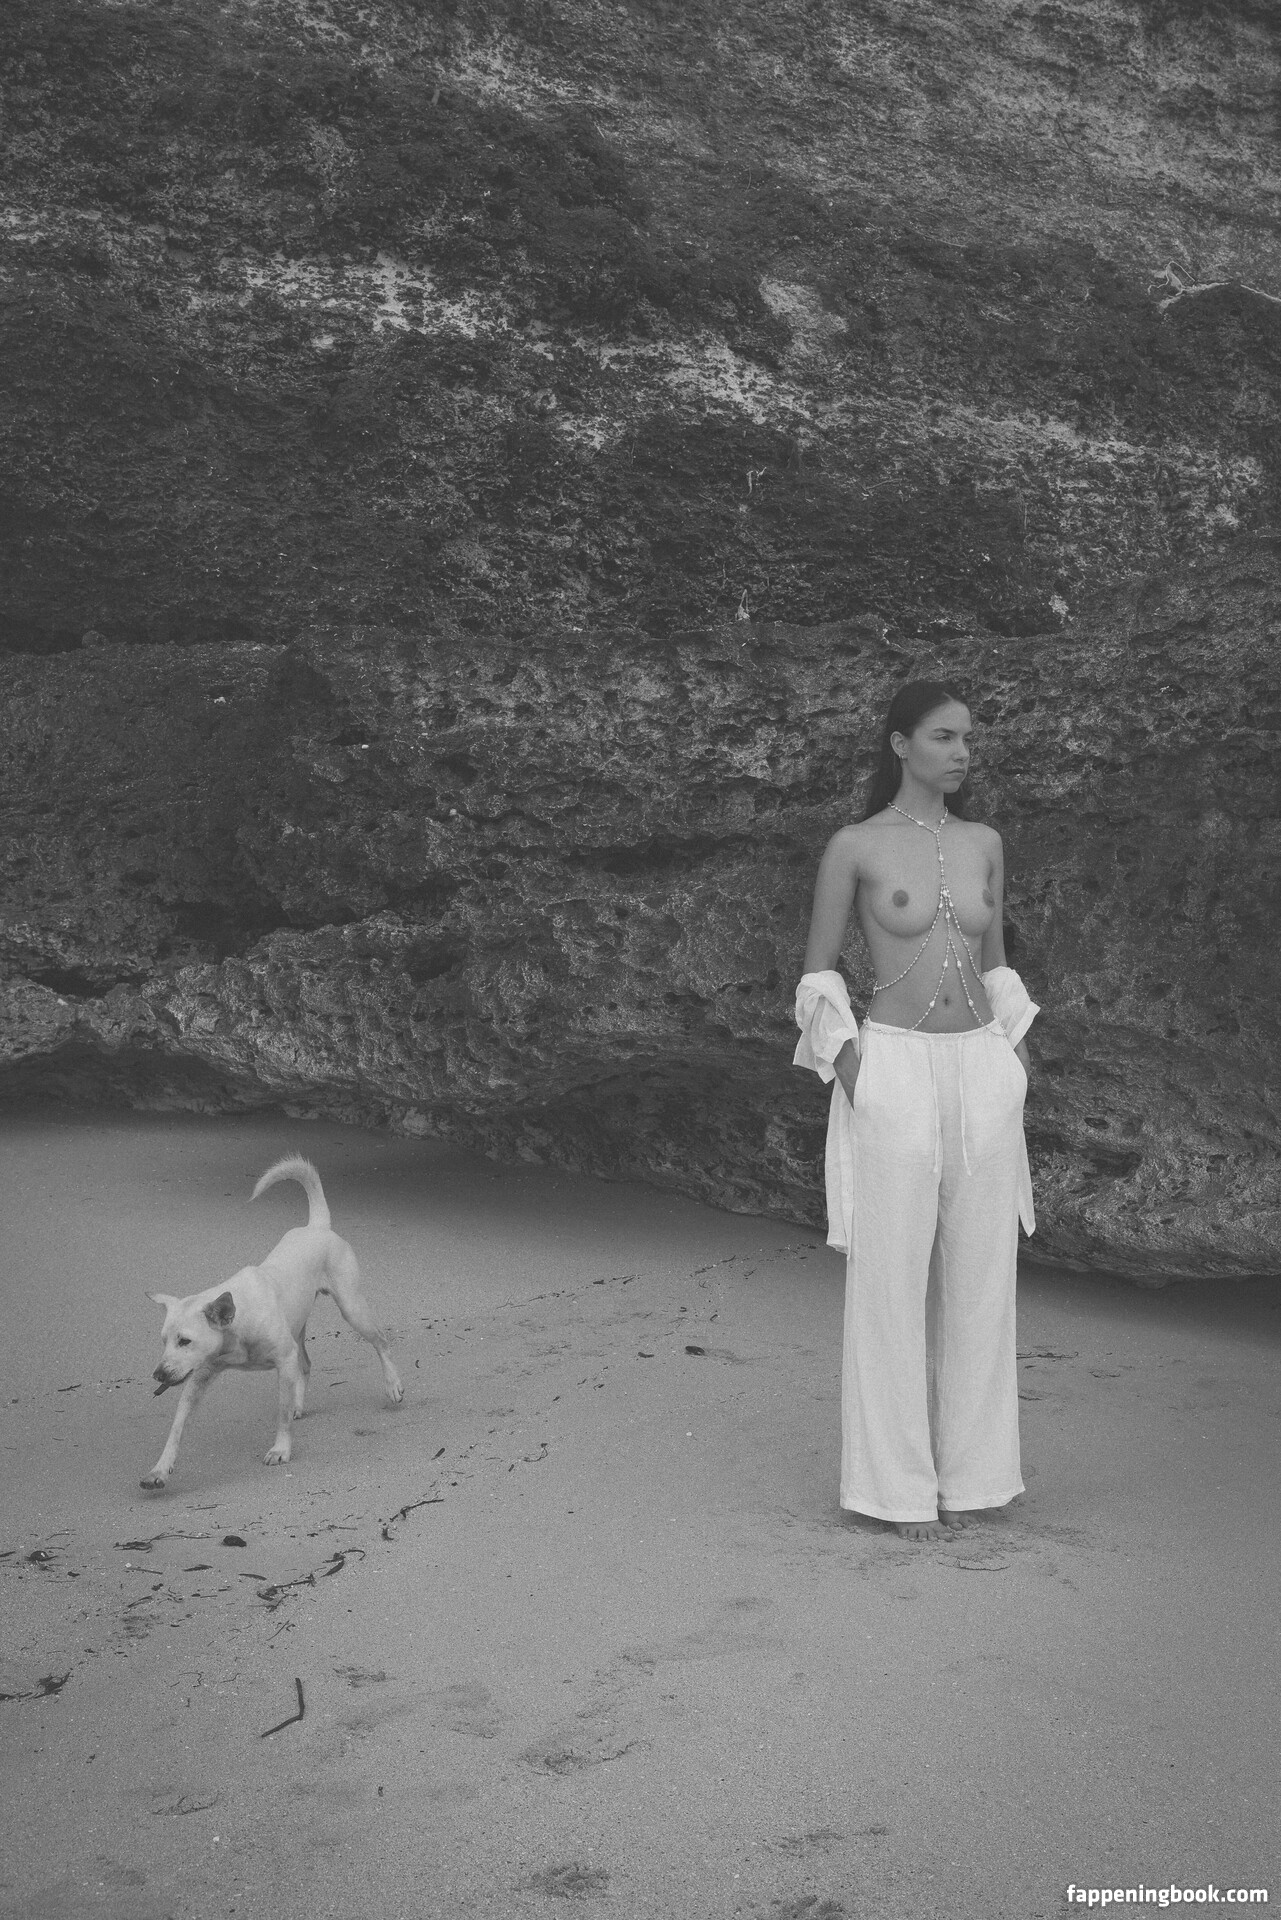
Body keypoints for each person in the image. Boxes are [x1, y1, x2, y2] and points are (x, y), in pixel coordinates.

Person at [794, 681, 1039, 1541]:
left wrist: (1012, 1064)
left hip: (981, 1068)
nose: (961, 751)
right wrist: (858, 1076)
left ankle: (977, 1478)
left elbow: (995, 962)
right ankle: (894, 1491)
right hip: (892, 1068)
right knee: (888, 1284)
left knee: (982, 1284)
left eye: (967, 736)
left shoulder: (984, 843)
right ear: (900, 745)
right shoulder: (854, 846)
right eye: (943, 736)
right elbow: (818, 974)